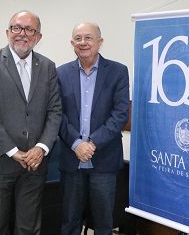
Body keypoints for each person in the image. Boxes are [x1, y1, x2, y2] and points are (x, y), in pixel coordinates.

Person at [0, 10, 62, 235]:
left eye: (29, 30)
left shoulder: (48, 66)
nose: (22, 34)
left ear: (38, 37)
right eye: (17, 28)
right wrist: (12, 150)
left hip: (35, 163)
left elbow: (55, 111)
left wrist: (41, 148)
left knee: (29, 227)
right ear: (8, 32)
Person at [57, 22, 130, 235]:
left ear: (100, 41)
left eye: (88, 37)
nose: (83, 43)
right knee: (70, 223)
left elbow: (120, 115)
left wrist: (92, 144)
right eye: (78, 38)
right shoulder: (60, 73)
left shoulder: (118, 71)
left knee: (104, 225)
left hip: (104, 161)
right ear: (72, 43)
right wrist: (77, 144)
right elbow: (56, 114)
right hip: (71, 162)